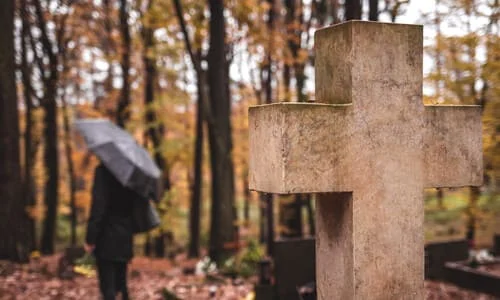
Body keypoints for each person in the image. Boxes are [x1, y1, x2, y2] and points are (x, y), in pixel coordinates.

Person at [85, 164, 136, 300]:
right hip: (125, 234)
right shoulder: (130, 172)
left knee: (108, 287)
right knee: (122, 285)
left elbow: (98, 206)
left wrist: (91, 237)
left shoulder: (102, 172)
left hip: (106, 236)